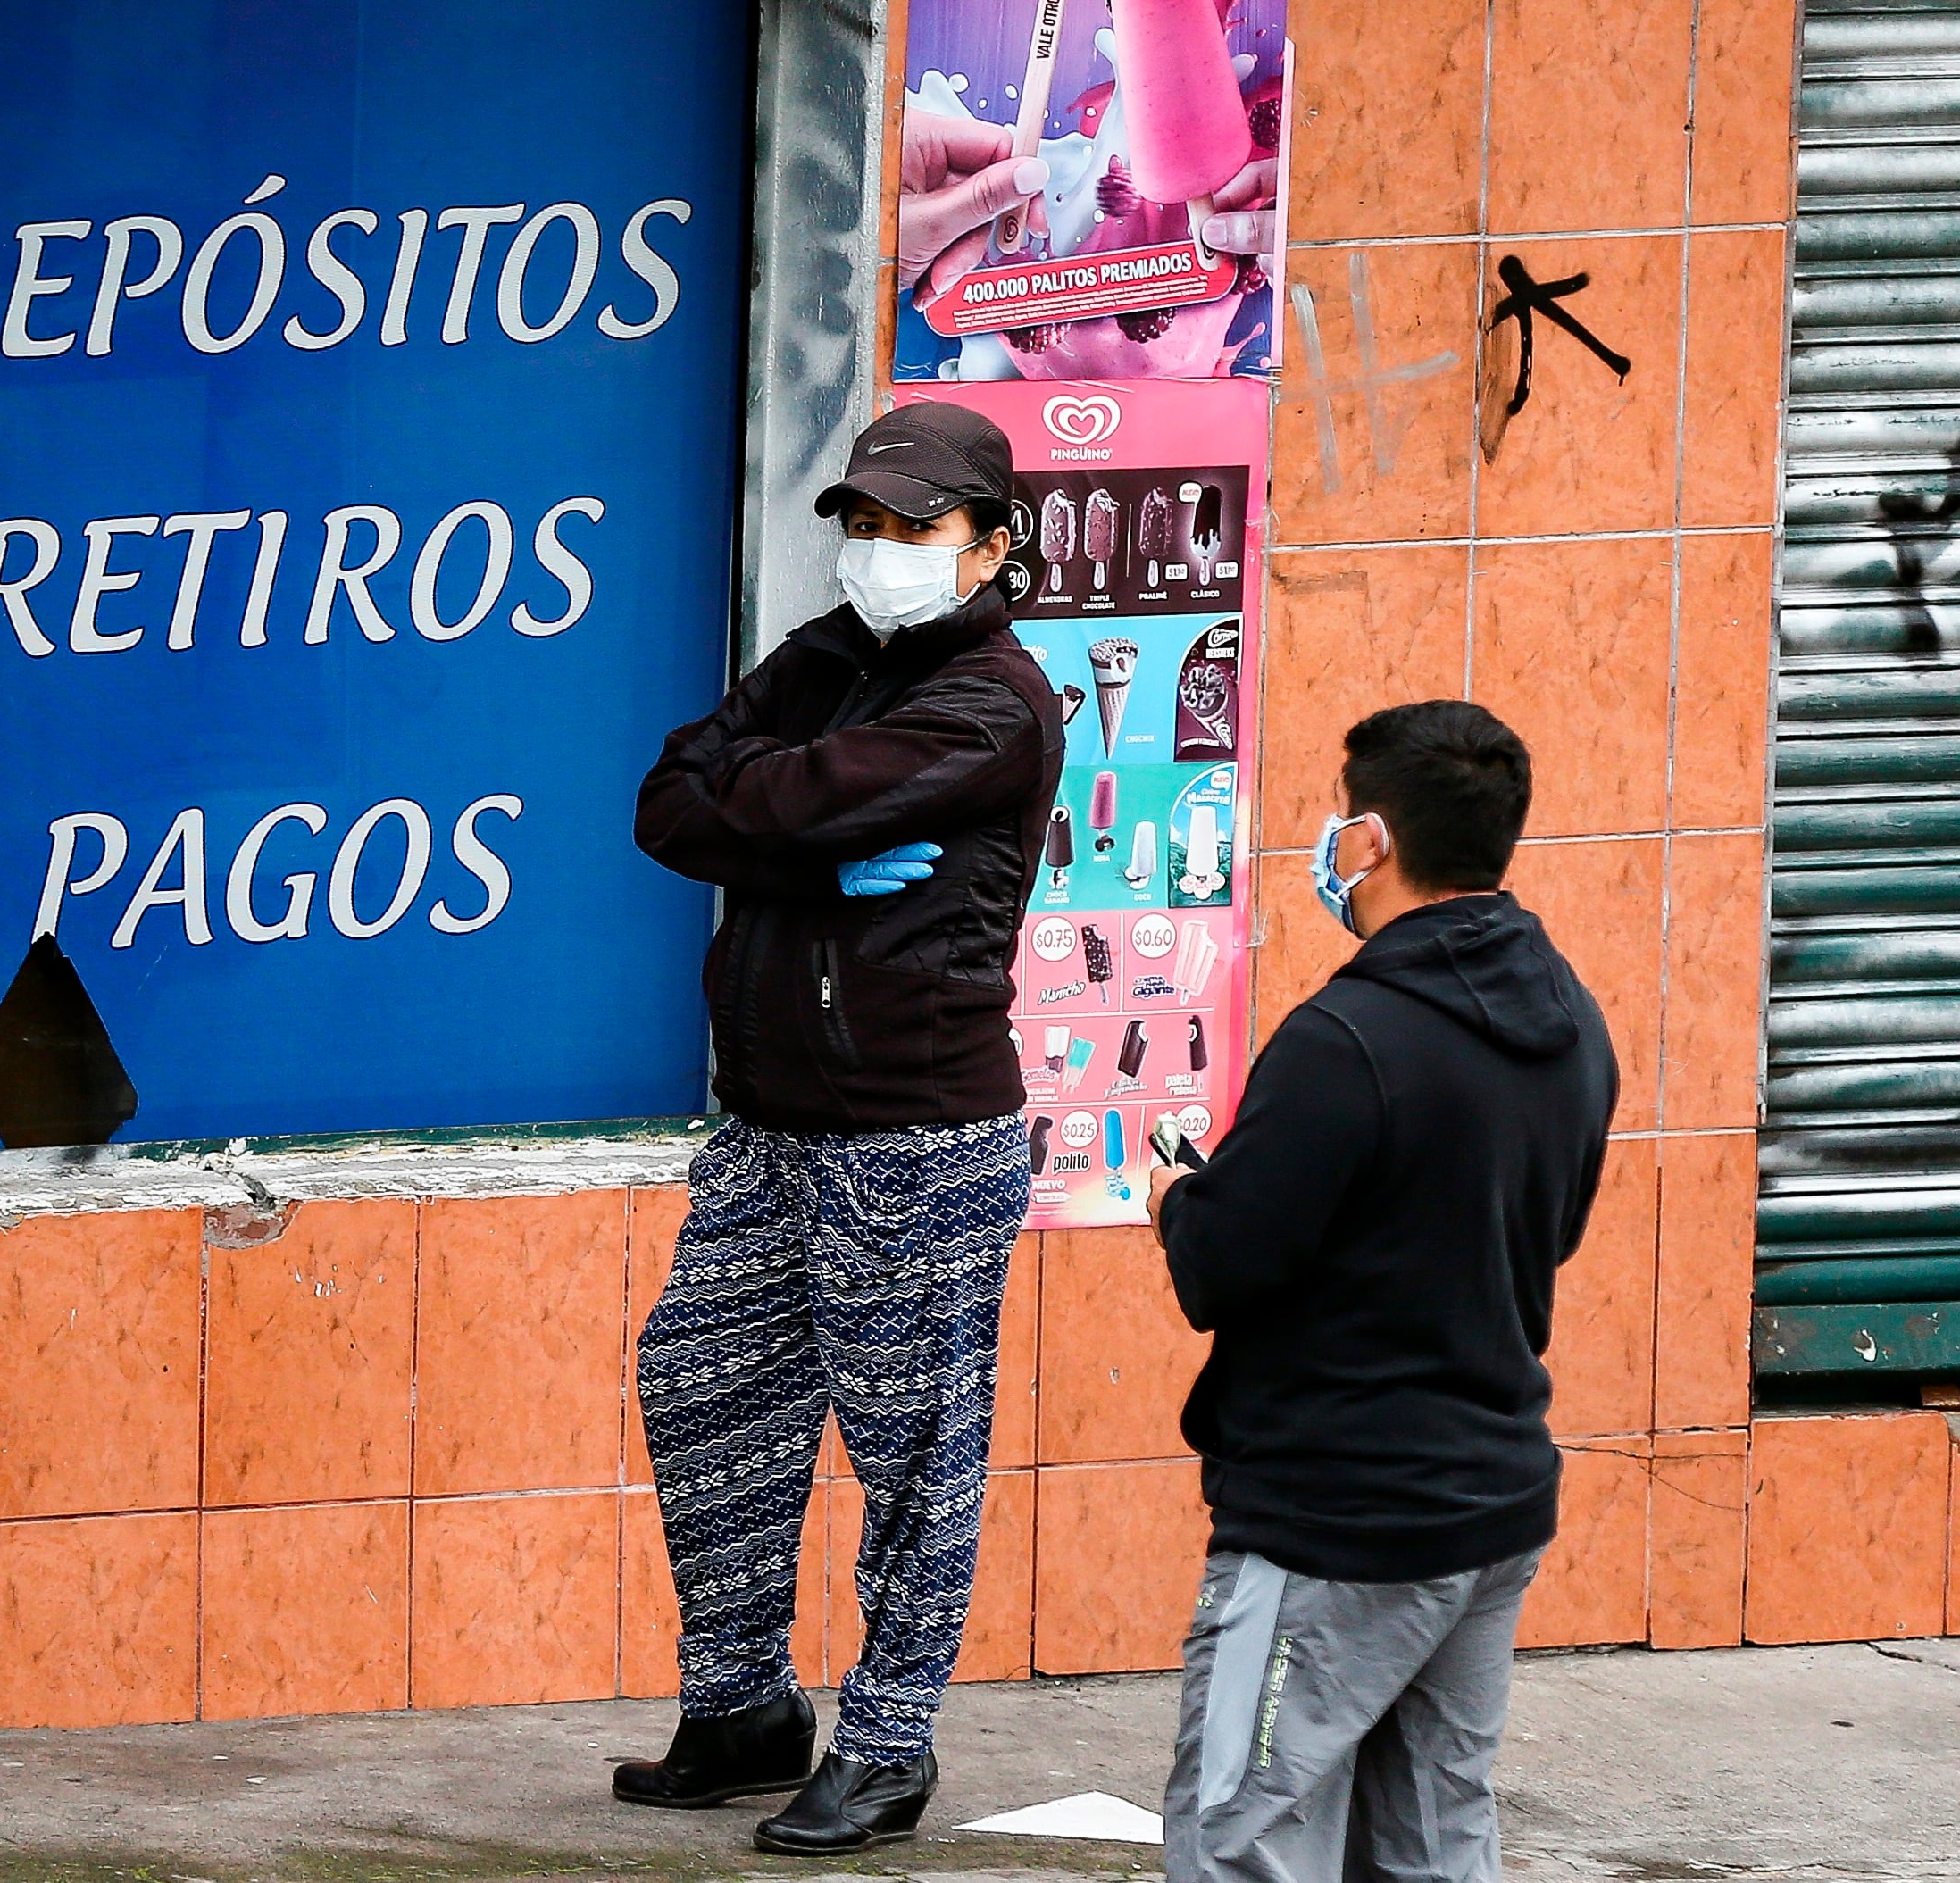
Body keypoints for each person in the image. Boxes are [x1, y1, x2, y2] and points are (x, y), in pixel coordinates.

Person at [620, 398, 1058, 1855]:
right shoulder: (826, 660)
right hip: (763, 1128)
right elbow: (667, 802)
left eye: (912, 527)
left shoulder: (991, 701)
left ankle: (886, 1747)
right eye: (860, 524)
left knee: (910, 1456)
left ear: (990, 542)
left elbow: (780, 801)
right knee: (695, 1386)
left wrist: (770, 841)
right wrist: (795, 862)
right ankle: (740, 1705)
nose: (877, 552)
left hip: (908, 1136)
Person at [1148, 702, 1613, 1883]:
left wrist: (1173, 1196)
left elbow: (1223, 1261)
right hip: (1488, 1502)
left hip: (1336, 1521)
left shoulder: (1346, 1036)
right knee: (1432, 1844)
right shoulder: (1569, 1016)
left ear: (1369, 840)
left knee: (1240, 1834)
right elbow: (1542, 1230)